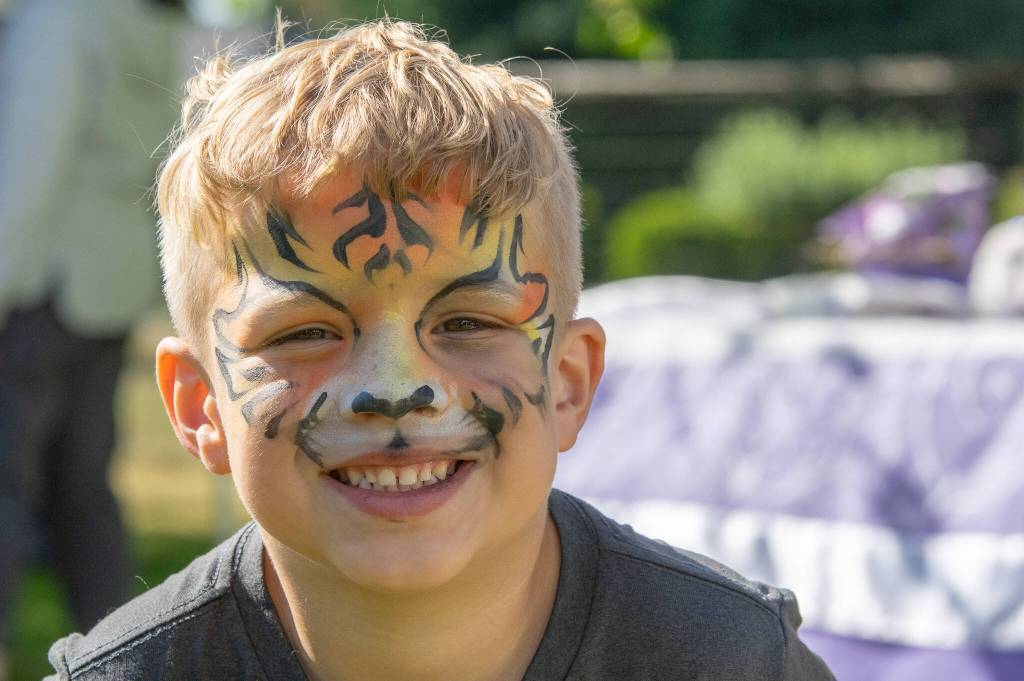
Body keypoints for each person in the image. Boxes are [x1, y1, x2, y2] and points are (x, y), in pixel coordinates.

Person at [46, 19, 835, 680]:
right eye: (305, 332)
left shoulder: (730, 659)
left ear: (566, 382)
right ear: (200, 405)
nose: (395, 389)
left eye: (467, 322)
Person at [0, 0, 184, 675]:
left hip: (36, 281)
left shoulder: (60, 17)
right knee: (84, 493)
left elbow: (29, 162)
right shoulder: (151, 17)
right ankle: (123, 655)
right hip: (107, 281)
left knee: (6, 487)